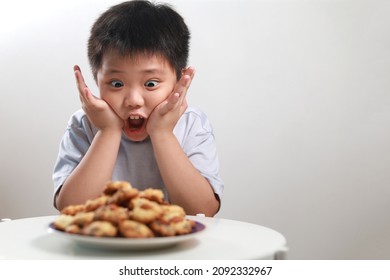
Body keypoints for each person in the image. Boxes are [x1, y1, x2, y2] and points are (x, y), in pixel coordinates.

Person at [52, 0, 223, 217]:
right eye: (116, 84)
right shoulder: (84, 124)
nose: (134, 100)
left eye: (151, 83)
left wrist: (161, 133)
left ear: (180, 80)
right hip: (99, 247)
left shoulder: (191, 123)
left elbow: (202, 210)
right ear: (96, 80)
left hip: (174, 249)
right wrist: (108, 131)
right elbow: (70, 208)